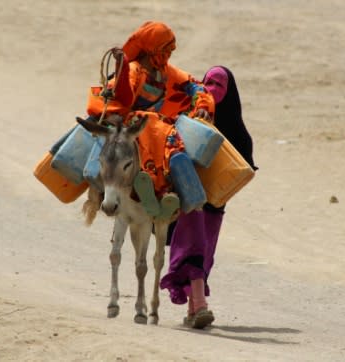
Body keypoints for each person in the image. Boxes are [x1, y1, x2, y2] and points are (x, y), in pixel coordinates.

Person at [81, 21, 214, 223]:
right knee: (156, 138)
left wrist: (203, 106)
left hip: (157, 127)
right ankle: (146, 190)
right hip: (132, 126)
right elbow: (124, 95)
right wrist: (122, 69)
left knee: (174, 145)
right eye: (165, 51)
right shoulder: (135, 70)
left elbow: (194, 85)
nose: (168, 56)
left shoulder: (165, 72)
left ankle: (175, 195)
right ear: (152, 50)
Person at [160, 66, 258, 329]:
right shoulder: (191, 116)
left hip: (215, 204)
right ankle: (201, 305)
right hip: (190, 201)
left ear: (230, 92)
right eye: (209, 82)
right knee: (193, 248)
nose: (213, 89)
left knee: (205, 254)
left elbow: (243, 165)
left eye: (220, 85)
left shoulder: (236, 131)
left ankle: (193, 310)